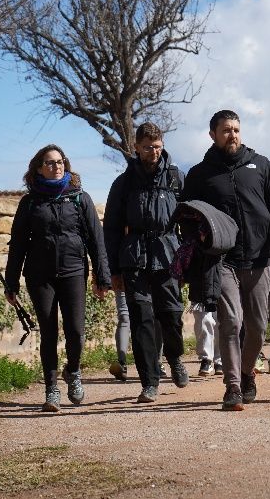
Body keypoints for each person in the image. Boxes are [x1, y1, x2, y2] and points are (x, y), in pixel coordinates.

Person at [182, 109, 270, 411]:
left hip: (260, 259)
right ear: (213, 135)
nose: (232, 135)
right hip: (223, 261)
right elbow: (187, 217)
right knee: (231, 321)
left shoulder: (260, 165)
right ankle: (232, 386)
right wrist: (201, 236)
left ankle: (247, 373)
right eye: (226, 130)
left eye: (236, 129)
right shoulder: (200, 174)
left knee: (258, 326)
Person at [5, 144, 111, 412]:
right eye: (50, 163)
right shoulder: (29, 203)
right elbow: (17, 243)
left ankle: (73, 372)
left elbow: (96, 241)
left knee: (76, 331)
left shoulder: (79, 198)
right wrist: (11, 282)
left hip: (74, 270)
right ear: (39, 168)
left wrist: (102, 276)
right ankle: (51, 389)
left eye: (60, 161)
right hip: (40, 276)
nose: (56, 166)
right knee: (49, 331)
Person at [103, 122, 188, 404]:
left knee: (172, 315)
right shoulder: (124, 182)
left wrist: (189, 257)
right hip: (135, 256)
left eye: (158, 146)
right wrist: (113, 270)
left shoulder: (176, 178)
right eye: (148, 147)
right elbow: (112, 229)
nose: (154, 151)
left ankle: (175, 357)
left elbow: (190, 221)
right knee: (141, 319)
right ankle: (149, 381)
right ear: (136, 148)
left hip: (168, 254)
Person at [193, 301, 223, 376]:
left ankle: (219, 361)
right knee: (202, 320)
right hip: (200, 292)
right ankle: (206, 359)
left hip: (221, 291)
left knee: (219, 321)